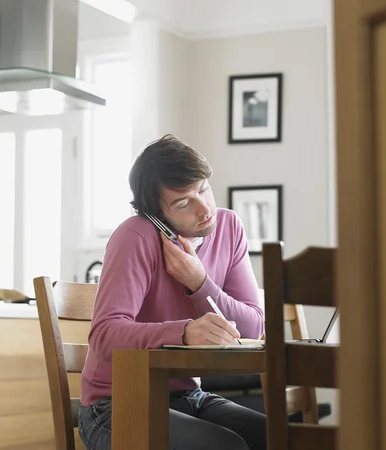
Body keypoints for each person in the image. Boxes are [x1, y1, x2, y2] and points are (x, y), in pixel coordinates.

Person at [78, 134, 266, 450]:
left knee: (279, 437)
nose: (204, 207)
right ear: (157, 215)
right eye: (183, 202)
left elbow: (252, 328)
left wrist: (200, 282)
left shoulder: (229, 227)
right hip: (114, 404)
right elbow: (105, 335)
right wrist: (185, 332)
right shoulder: (135, 236)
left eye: (203, 189)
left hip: (189, 396)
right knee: (225, 447)